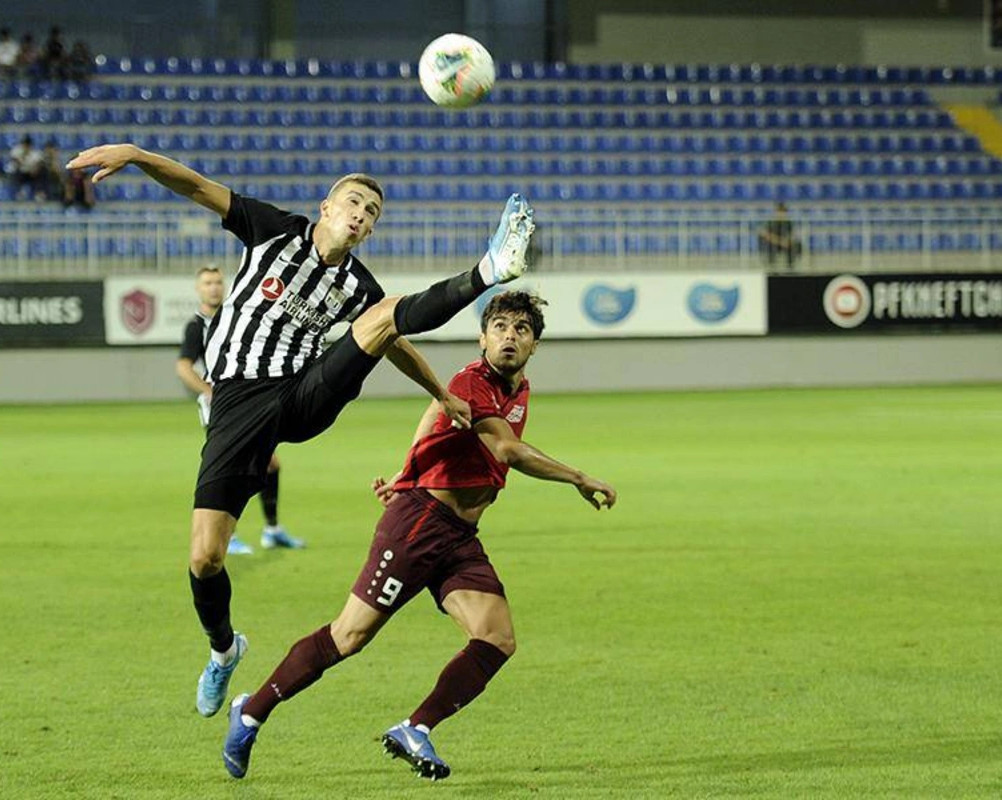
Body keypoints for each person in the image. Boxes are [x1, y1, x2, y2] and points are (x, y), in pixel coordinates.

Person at [65, 143, 536, 721]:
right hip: (238, 405)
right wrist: (137, 156)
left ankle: (487, 271)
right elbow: (195, 185)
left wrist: (440, 393)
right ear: (326, 207)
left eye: (372, 213)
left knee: (385, 312)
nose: (361, 215)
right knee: (205, 557)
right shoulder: (272, 231)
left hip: (303, 395)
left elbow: (389, 334)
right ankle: (223, 650)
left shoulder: (356, 285)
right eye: (354, 203)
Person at [219, 291, 617, 781]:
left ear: (534, 345)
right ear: (481, 337)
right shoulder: (470, 382)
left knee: (496, 638)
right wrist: (578, 477)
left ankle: (417, 728)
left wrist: (405, 472)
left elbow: (432, 423)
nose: (509, 336)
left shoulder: (518, 390)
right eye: (500, 327)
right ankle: (252, 711)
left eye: (521, 329)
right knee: (348, 637)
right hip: (419, 526)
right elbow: (507, 452)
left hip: (459, 536)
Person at [176, 266, 303, 555]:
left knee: (270, 464)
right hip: (220, 409)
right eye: (207, 283)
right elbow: (183, 366)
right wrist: (209, 391)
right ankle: (225, 535)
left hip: (246, 404)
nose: (214, 288)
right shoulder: (197, 326)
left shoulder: (232, 318)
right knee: (231, 469)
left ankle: (272, 530)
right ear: (199, 289)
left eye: (218, 282)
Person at [758, 202, 802, 269]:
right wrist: (779, 241)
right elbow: (764, 233)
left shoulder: (788, 223)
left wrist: (788, 241)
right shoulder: (771, 222)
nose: (781, 214)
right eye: (779, 211)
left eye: (783, 212)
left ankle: (790, 266)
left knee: (795, 245)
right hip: (774, 244)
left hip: (785, 244)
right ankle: (771, 267)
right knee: (770, 245)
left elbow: (793, 234)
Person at [8, 135, 45, 200]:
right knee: (18, 173)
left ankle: (39, 193)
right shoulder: (17, 151)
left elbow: (39, 163)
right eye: (25, 145)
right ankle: (20, 193)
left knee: (41, 174)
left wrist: (34, 169)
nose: (26, 147)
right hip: (21, 172)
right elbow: (16, 161)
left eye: (28, 145)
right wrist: (24, 156)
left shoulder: (35, 153)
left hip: (31, 174)